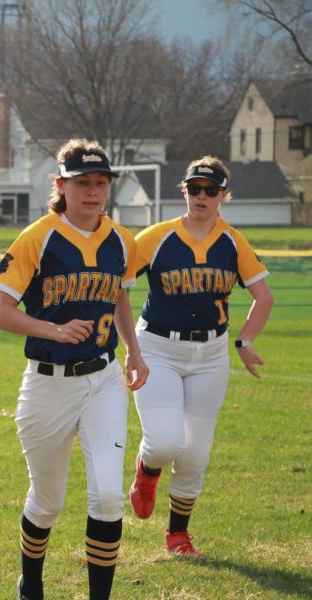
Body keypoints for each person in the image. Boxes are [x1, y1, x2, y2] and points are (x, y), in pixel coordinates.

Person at [0, 139, 148, 600]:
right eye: (82, 182)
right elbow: (0, 313)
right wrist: (53, 330)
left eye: (100, 182)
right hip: (47, 383)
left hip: (103, 377)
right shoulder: (39, 237)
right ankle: (31, 583)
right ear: (61, 185)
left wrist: (134, 351)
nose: (93, 191)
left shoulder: (121, 239)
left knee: (108, 496)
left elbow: (119, 294)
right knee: (47, 501)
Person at [128, 157, 273, 556]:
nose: (202, 196)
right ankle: (147, 469)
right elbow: (118, 286)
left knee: (195, 452)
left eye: (211, 190)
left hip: (210, 354)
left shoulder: (232, 241)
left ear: (225, 195)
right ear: (184, 191)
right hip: (158, 347)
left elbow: (263, 298)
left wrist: (244, 341)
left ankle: (178, 534)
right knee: (162, 443)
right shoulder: (157, 237)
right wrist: (124, 343)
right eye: (194, 188)